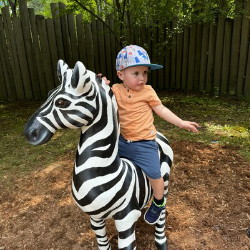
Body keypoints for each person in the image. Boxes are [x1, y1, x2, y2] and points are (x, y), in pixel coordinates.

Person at [102, 45, 200, 225]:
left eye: (145, 73)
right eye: (136, 73)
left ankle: (158, 202)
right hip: (122, 141)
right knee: (108, 167)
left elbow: (161, 109)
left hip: (144, 143)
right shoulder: (115, 90)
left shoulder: (148, 91)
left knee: (155, 174)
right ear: (121, 75)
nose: (142, 78)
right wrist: (100, 82)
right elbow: (99, 94)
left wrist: (181, 122)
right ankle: (118, 198)